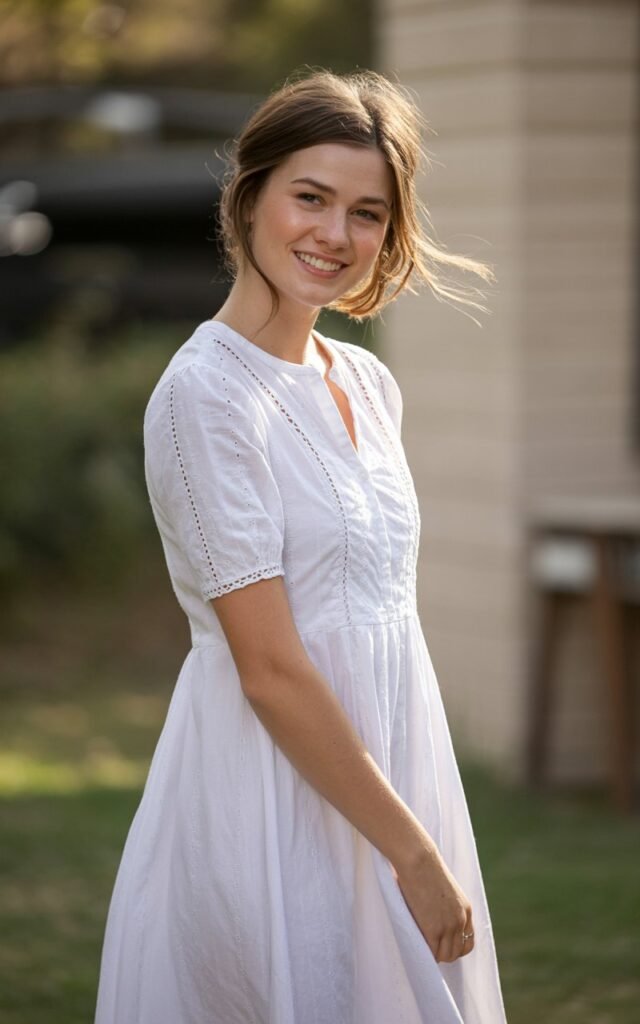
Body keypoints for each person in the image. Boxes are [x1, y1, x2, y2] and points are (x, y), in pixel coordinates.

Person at [94, 69, 507, 1024]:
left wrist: (410, 828)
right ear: (250, 196)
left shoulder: (366, 382)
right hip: (269, 796)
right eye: (310, 197)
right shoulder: (206, 397)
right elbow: (271, 667)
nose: (334, 234)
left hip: (392, 766)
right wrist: (411, 854)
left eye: (367, 212)